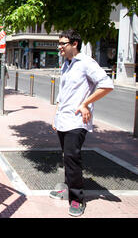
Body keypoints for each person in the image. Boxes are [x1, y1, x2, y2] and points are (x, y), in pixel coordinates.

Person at [50, 29, 113, 217]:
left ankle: (77, 200)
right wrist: (56, 115)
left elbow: (107, 84)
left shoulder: (86, 63)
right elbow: (63, 94)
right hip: (64, 119)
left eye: (63, 43)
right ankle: (67, 188)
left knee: (72, 158)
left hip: (77, 121)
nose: (59, 47)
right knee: (66, 157)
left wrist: (86, 103)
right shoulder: (66, 64)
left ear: (74, 44)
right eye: (59, 43)